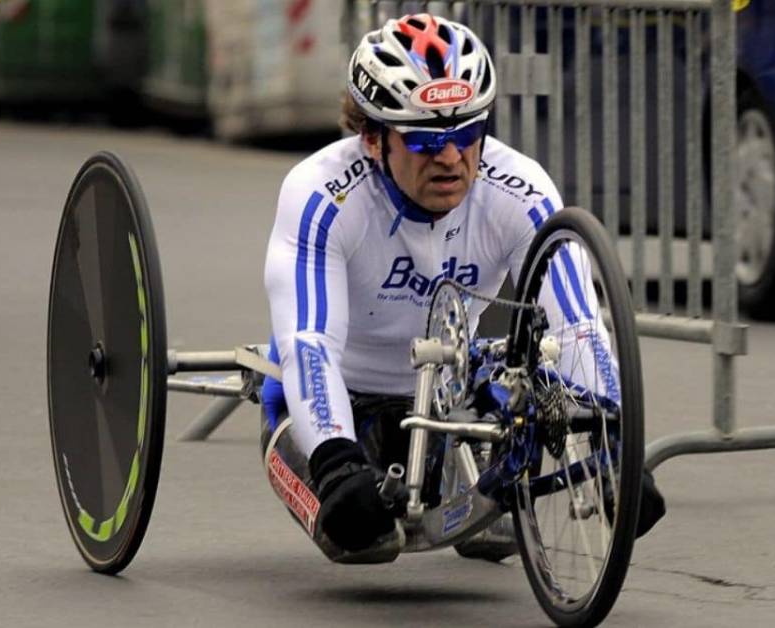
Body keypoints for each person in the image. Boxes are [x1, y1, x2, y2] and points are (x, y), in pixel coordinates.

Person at [261, 13, 664, 555]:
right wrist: (335, 459)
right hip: (342, 395)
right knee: (362, 538)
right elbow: (309, 344)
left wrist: (613, 442)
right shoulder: (322, 195)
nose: (451, 158)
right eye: (426, 141)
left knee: (497, 537)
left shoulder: (518, 189)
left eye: (468, 132)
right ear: (373, 138)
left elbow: (576, 325)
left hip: (450, 395)